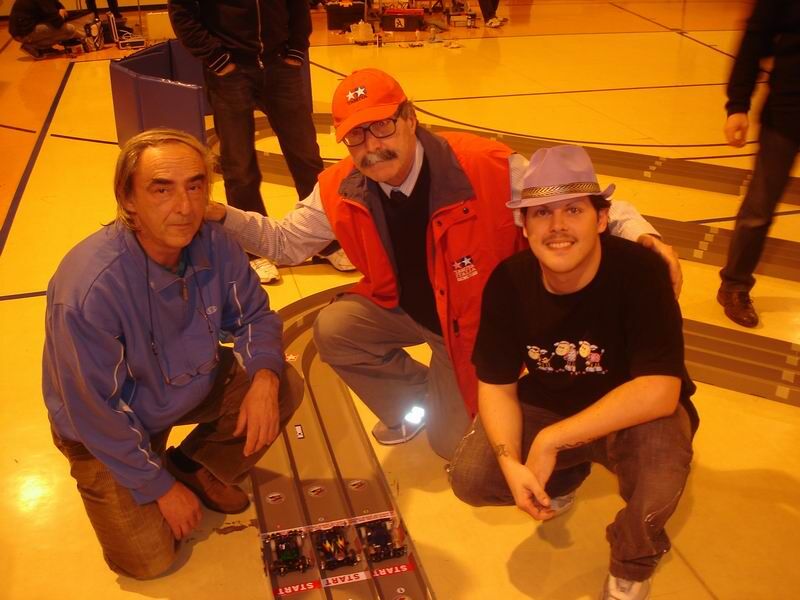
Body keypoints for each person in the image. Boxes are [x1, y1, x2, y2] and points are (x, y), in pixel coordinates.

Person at [205, 68, 682, 461]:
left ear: (410, 118)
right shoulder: (340, 187)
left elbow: (576, 198)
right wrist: (218, 214)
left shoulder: (486, 165)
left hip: (476, 323)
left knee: (452, 447)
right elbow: (284, 242)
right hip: (407, 307)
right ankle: (419, 401)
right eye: (355, 136)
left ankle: (456, 399)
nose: (371, 145)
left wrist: (645, 237)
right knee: (335, 329)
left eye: (382, 126)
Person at [42, 129, 302, 578]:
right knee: (150, 561)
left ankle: (195, 467)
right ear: (128, 199)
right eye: (161, 189)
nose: (184, 207)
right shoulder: (89, 289)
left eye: (195, 186)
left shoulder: (215, 243)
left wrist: (263, 378)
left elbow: (255, 316)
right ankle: (157, 470)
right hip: (105, 429)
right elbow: (94, 409)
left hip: (182, 384)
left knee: (281, 384)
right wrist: (158, 488)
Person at [449, 145, 698, 600]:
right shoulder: (509, 281)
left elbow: (660, 390)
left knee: (660, 476)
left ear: (601, 219)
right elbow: (496, 386)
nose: (558, 226)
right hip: (551, 400)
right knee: (471, 476)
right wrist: (510, 462)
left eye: (574, 210)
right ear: (524, 225)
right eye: (541, 212)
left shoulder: (642, 271)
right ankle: (563, 479)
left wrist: (552, 440)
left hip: (634, 411)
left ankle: (632, 561)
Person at [168, 0, 353, 284]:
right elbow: (183, 14)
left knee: (307, 158)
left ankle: (323, 241)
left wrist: (295, 50)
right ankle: (253, 250)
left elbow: (298, 6)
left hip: (280, 66)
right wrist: (218, 59)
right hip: (230, 71)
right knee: (239, 166)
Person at [717, 0, 800, 328]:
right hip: (787, 115)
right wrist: (737, 105)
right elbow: (755, 40)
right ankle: (734, 285)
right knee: (759, 210)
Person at [9, 0, 83, 59]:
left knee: (65, 29)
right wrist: (81, 36)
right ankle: (33, 46)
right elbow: (57, 22)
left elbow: (59, 6)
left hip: (22, 30)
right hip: (24, 33)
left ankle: (44, 48)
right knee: (69, 30)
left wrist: (61, 11)